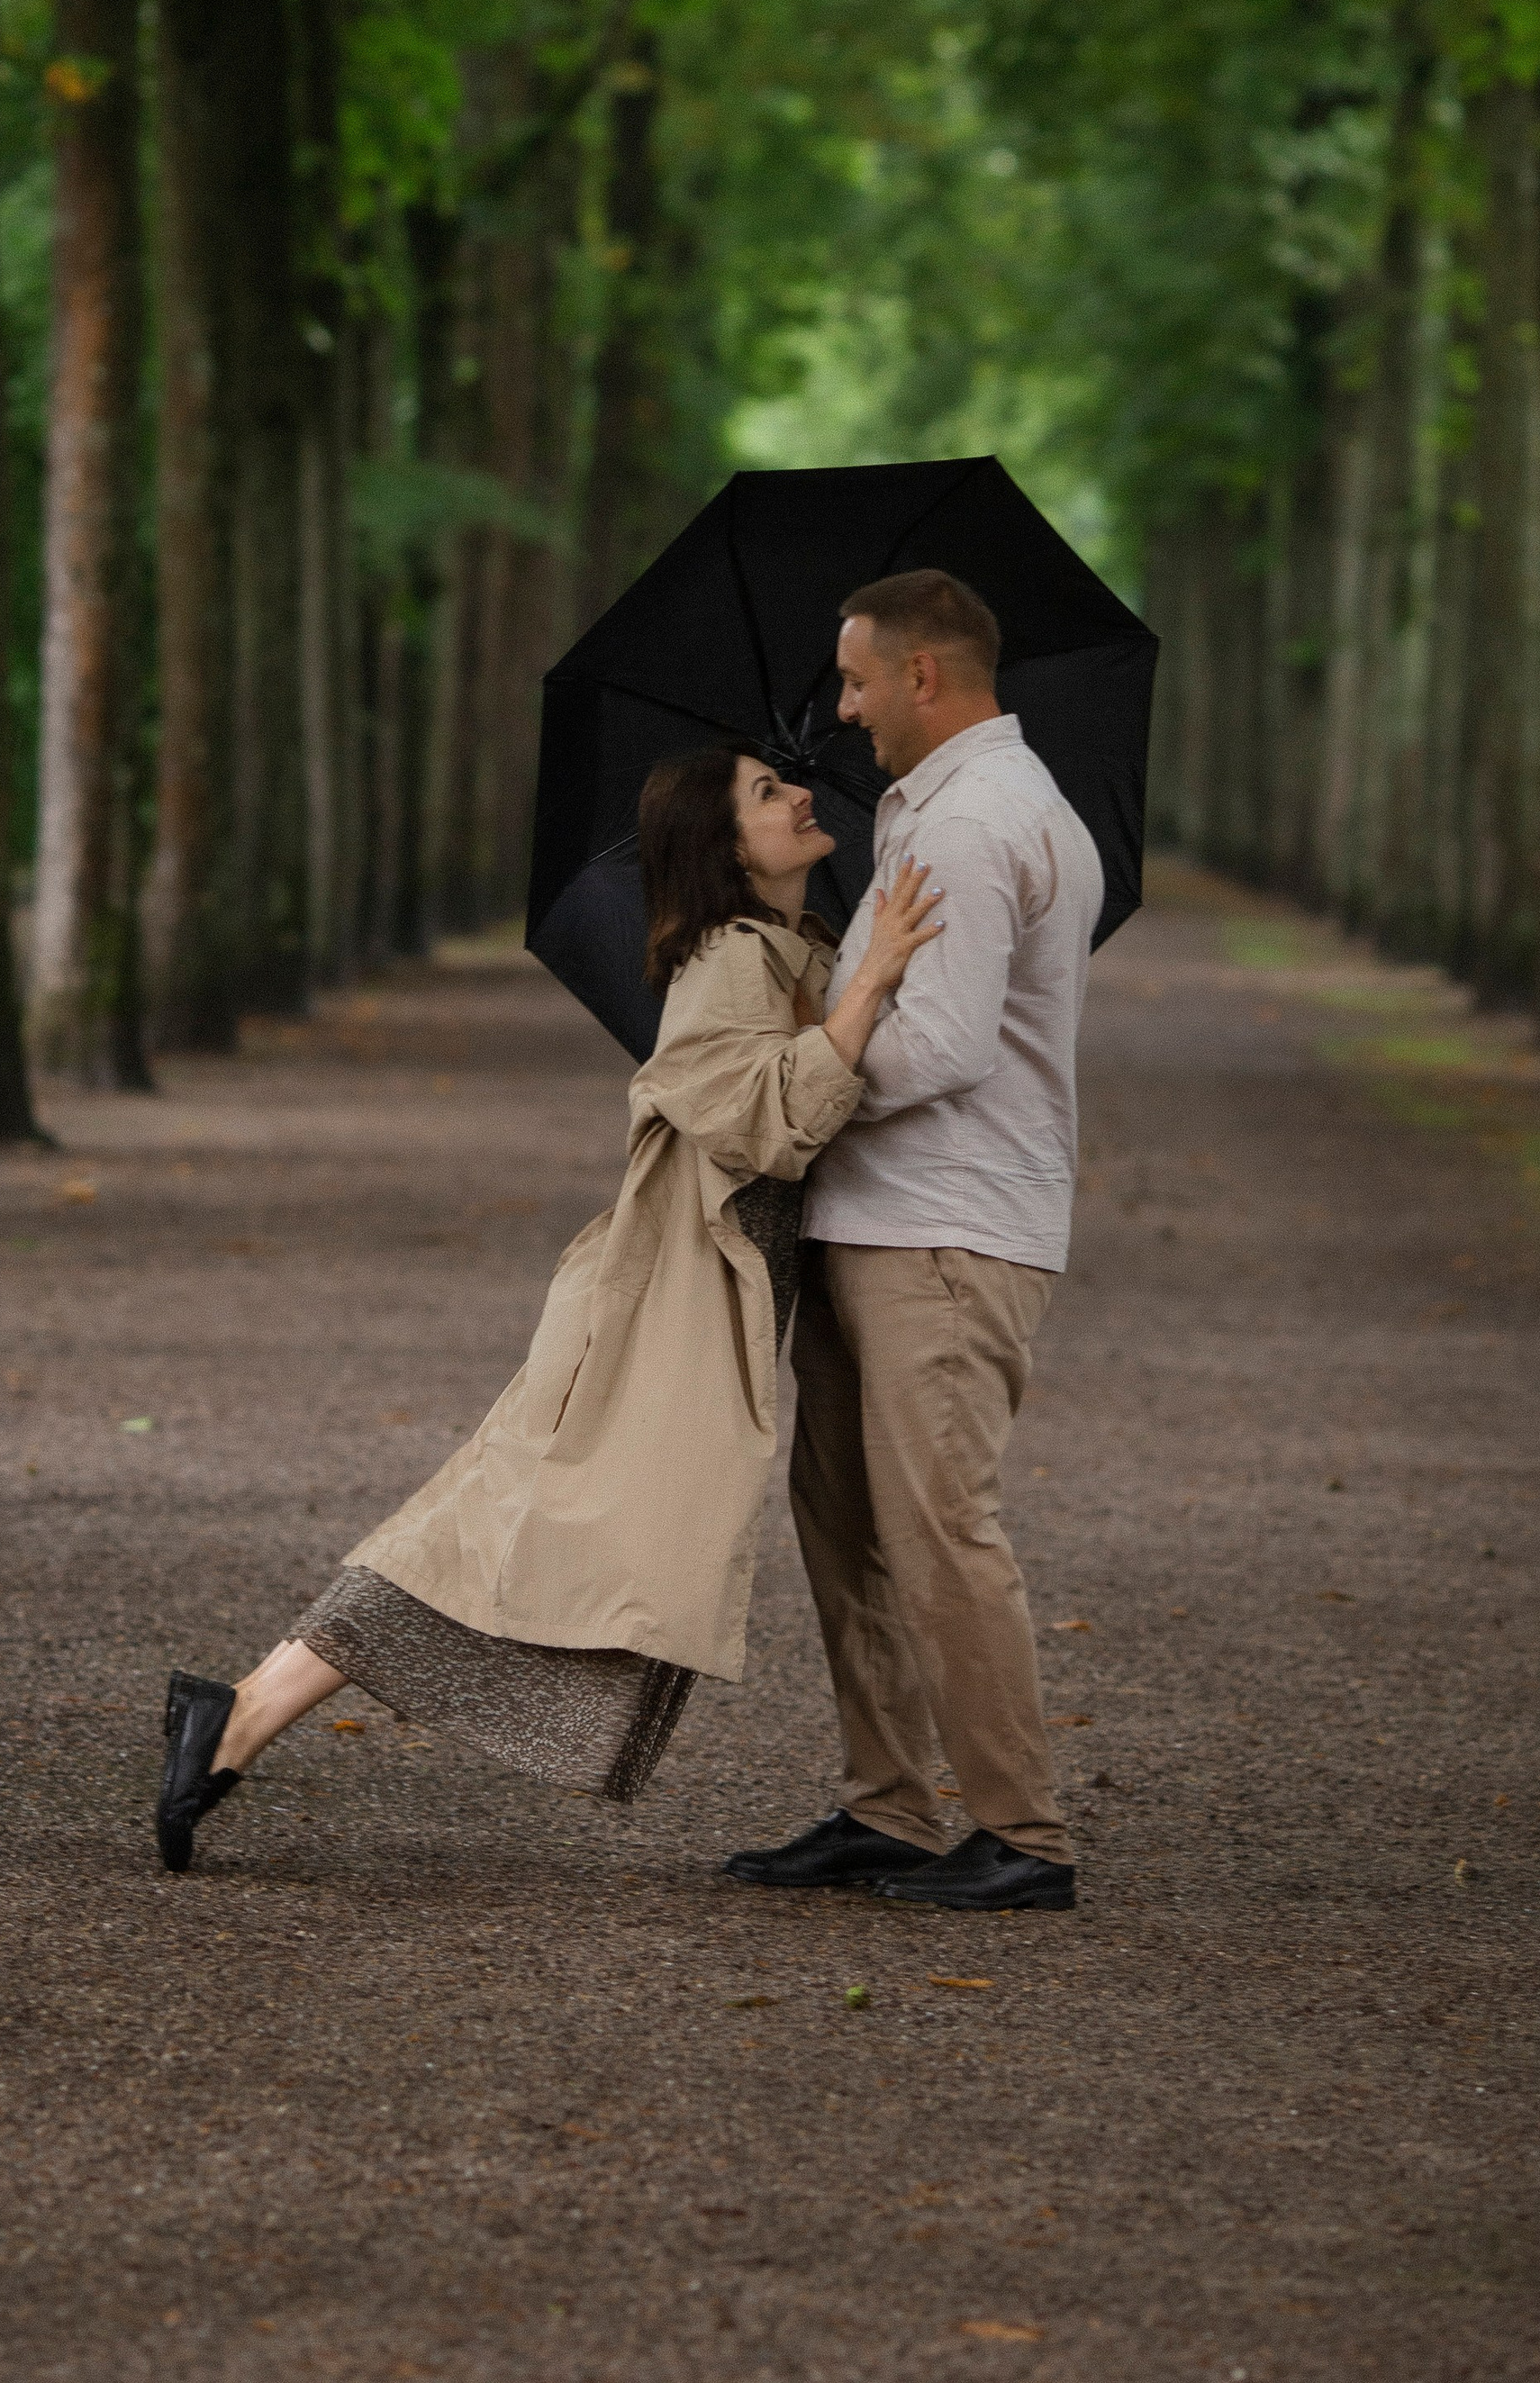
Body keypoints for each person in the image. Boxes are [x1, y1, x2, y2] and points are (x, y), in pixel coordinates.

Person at [154, 748, 942, 1872]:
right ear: (722, 845)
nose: (801, 796)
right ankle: (231, 1715)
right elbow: (768, 1123)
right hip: (652, 1313)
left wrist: (855, 975)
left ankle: (232, 1715)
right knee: (496, 1526)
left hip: (690, 1309)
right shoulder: (727, 958)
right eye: (768, 793)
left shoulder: (783, 947)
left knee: (519, 1528)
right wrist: (874, 985)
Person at [722, 566, 1101, 1915]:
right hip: (876, 1215)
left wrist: (797, 1079)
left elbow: (937, 1043)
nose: (845, 704)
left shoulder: (977, 820)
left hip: (942, 1231)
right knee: (847, 1521)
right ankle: (889, 1803)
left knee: (940, 1529)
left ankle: (1025, 1832)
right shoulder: (936, 809)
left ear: (924, 677)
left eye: (858, 679)